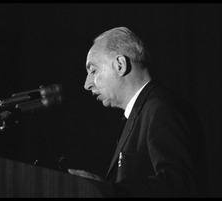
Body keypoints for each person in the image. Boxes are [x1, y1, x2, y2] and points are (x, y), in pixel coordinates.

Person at [68, 27, 208, 197]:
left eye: (93, 71)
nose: (87, 84)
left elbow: (179, 185)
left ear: (120, 65)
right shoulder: (141, 113)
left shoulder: (161, 108)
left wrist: (109, 190)